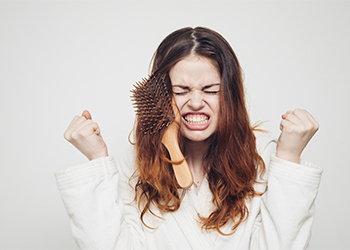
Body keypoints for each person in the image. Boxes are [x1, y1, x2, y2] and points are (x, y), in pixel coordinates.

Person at [55, 27, 323, 249]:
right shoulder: (135, 167)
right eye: (181, 90)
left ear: (229, 95)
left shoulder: (261, 159)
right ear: (161, 96)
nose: (196, 102)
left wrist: (289, 158)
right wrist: (96, 160)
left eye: (211, 90)